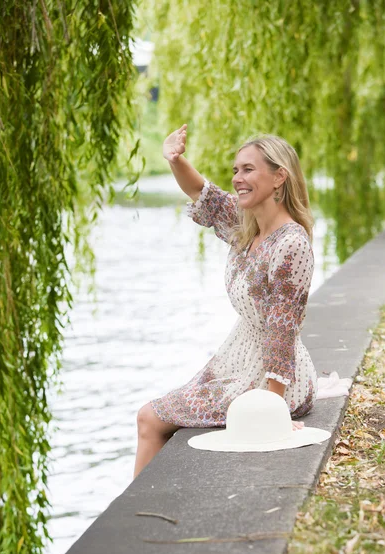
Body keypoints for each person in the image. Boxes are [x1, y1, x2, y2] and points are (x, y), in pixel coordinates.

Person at [133, 124, 317, 479]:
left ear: (279, 177)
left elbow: (282, 331)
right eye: (236, 170)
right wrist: (174, 159)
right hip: (237, 358)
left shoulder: (290, 244)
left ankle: (133, 522)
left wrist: (272, 407)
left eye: (248, 169)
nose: (237, 178)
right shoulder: (246, 223)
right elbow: (202, 192)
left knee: (149, 418)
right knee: (153, 417)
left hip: (274, 380)